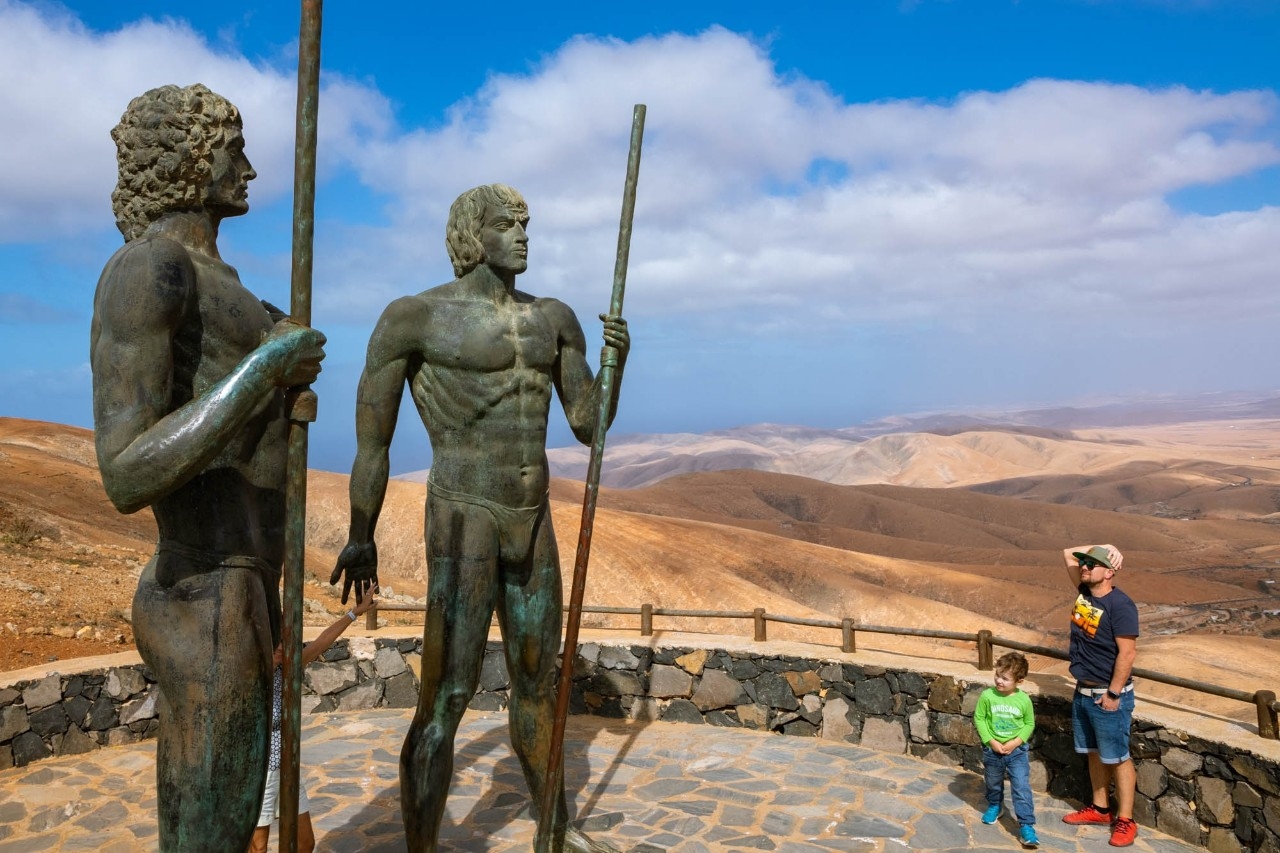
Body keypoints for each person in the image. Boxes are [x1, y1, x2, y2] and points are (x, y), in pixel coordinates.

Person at [330, 183, 628, 852]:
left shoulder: (555, 318)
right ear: (472, 235)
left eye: (527, 221)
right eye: (508, 223)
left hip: (533, 519)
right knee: (447, 696)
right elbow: (372, 442)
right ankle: (422, 846)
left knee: (537, 683)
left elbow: (587, 424)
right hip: (465, 518)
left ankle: (553, 828)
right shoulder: (415, 318)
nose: (524, 233)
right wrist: (359, 532)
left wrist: (618, 362)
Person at [91, 83, 326, 852]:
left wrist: (282, 392)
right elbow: (125, 470)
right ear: (192, 159)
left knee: (228, 828)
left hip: (251, 594)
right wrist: (263, 374)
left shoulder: (229, 287)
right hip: (200, 596)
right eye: (234, 146)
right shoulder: (148, 269)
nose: (249, 165)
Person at [248, 592, 378, 853]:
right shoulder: (249, 678)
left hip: (288, 768)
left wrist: (356, 612)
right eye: (275, 644)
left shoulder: (287, 670)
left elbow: (321, 643)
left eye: (283, 642)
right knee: (258, 847)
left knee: (305, 843)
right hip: (260, 773)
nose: (281, 648)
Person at [1060, 544, 1140, 847]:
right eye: (1086, 564)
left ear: (1110, 572)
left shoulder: (1121, 605)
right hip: (1083, 689)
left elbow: (1127, 654)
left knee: (1118, 757)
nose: (1085, 567)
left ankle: (1125, 820)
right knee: (1094, 752)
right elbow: (1068, 552)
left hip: (1107, 694)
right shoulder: (1084, 594)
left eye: (1093, 564)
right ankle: (1100, 808)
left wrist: (1113, 693)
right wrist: (1107, 546)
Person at [975, 651, 1039, 849]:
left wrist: (1016, 741)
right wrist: (990, 741)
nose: (999, 681)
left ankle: (1027, 826)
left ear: (1019, 680)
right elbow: (980, 718)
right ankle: (995, 805)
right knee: (993, 781)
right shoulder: (987, 696)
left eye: (1005, 678)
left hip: (1017, 752)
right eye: (997, 675)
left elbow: (1029, 723)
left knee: (1021, 787)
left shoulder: (1023, 700)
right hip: (992, 750)